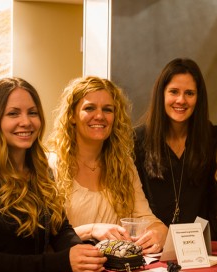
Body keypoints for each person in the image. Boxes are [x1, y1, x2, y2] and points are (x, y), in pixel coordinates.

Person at [0, 77, 106, 272]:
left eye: (32, 112)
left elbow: (59, 228)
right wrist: (62, 261)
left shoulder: (40, 170)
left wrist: (83, 252)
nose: (26, 122)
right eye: (13, 113)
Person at [48, 76, 167, 254]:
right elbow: (44, 238)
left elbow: (145, 217)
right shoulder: (50, 165)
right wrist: (91, 230)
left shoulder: (123, 164)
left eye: (107, 110)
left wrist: (159, 232)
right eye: (89, 108)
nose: (100, 116)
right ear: (72, 115)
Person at [134, 58, 217, 240]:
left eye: (189, 93)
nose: (181, 100)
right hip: (153, 247)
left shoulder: (214, 138)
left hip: (202, 247)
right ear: (162, 94)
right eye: (174, 92)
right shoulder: (136, 140)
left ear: (199, 98)